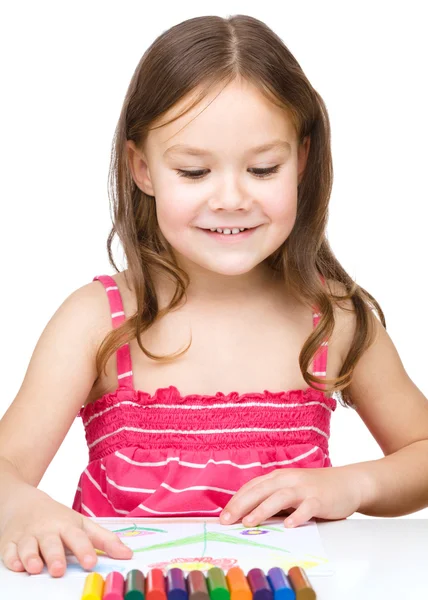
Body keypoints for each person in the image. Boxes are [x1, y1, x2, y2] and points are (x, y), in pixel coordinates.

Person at [1, 13, 428, 581]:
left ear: (300, 161)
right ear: (142, 169)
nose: (230, 197)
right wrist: (21, 507)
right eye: (195, 171)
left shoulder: (333, 319)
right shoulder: (97, 320)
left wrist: (355, 484)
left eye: (262, 167)